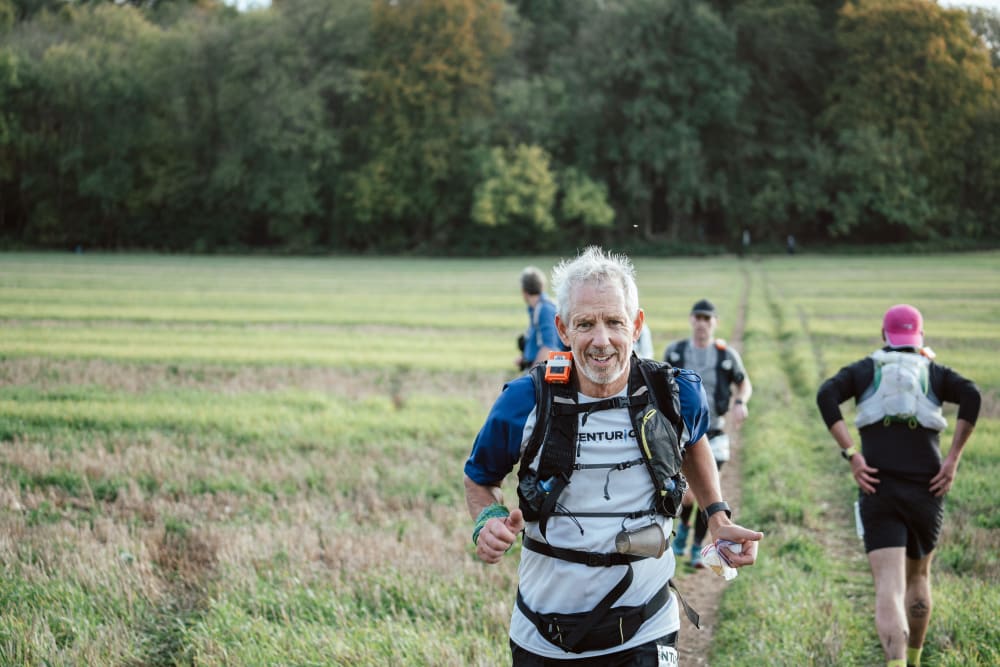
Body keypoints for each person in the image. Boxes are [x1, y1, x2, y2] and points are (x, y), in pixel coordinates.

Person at [464, 246, 763, 665]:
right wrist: (488, 520)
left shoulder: (675, 394)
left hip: (647, 629)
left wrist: (717, 515)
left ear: (636, 325)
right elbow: (480, 477)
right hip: (542, 637)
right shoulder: (525, 401)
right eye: (585, 324)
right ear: (563, 329)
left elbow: (694, 440)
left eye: (614, 322)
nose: (601, 340)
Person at [816, 304, 980, 667]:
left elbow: (826, 394)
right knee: (919, 577)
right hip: (928, 488)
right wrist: (952, 459)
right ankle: (916, 660)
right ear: (920, 337)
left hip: (878, 486)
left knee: (888, 586)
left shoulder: (864, 369)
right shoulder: (934, 372)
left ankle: (896, 663)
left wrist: (852, 454)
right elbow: (972, 394)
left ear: (884, 335)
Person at [664, 299, 752, 568]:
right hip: (683, 437)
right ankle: (683, 534)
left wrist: (740, 402)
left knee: (710, 495)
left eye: (707, 318)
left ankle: (695, 549)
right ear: (691, 320)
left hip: (715, 434)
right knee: (689, 496)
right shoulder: (675, 352)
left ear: (715, 323)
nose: (702, 323)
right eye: (698, 318)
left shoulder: (726, 355)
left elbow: (743, 383)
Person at [515, 266, 563, 371]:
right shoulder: (537, 308)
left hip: (542, 372)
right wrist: (525, 359)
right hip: (535, 366)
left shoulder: (544, 309)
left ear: (524, 291)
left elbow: (548, 347)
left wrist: (531, 376)